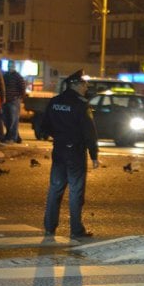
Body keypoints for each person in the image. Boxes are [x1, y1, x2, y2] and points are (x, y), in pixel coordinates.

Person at [41, 72, 99, 240]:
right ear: (75, 85)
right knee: (76, 191)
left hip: (59, 150)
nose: (85, 88)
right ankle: (76, 229)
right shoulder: (82, 105)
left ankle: (49, 227)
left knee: (55, 189)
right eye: (84, 85)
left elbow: (44, 127)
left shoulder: (55, 102)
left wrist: (60, 136)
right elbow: (90, 132)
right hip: (75, 152)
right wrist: (94, 155)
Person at [1, 61, 26, 143]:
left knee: (13, 120)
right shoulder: (5, 76)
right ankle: (11, 136)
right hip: (6, 101)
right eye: (9, 66)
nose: (10, 67)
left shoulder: (18, 76)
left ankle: (13, 137)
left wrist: (19, 97)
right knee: (7, 120)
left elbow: (22, 88)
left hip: (14, 101)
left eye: (11, 66)